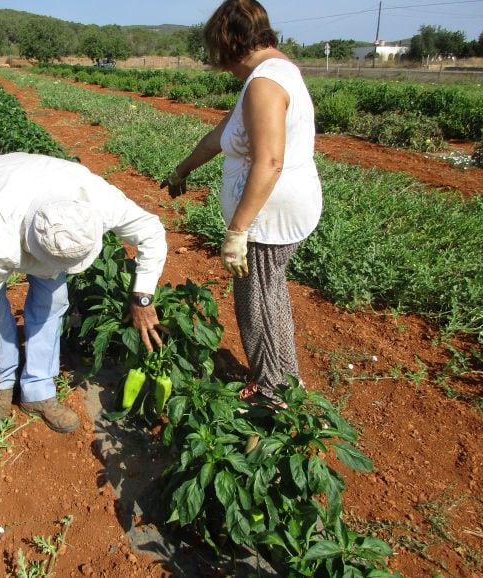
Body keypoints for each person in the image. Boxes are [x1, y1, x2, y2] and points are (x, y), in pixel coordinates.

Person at [161, 0, 322, 402]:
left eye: (219, 52)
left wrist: (238, 229)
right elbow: (221, 136)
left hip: (269, 216)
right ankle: (286, 381)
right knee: (269, 294)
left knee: (258, 304)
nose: (221, 64)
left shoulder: (266, 83)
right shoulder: (268, 75)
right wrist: (182, 170)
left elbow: (269, 161)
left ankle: (275, 393)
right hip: (271, 213)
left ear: (231, 41)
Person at [0, 152, 167, 433]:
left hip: (42, 180)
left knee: (53, 299)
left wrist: (143, 296)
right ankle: (2, 380)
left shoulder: (98, 200)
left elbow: (151, 231)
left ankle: (38, 390)